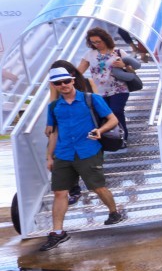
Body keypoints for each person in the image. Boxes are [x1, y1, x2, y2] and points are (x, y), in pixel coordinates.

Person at [41, 66, 124, 251]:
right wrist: (49, 156)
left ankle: (114, 212)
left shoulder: (91, 99)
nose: (63, 85)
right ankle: (57, 232)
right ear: (54, 85)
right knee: (60, 193)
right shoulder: (54, 107)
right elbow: (53, 133)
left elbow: (113, 120)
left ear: (72, 79)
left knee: (98, 187)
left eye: (66, 81)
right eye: (58, 83)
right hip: (63, 153)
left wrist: (100, 131)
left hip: (88, 150)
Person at [46, 60, 97, 206]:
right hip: (66, 123)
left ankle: (89, 181)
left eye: (66, 78)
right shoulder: (56, 86)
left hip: (87, 125)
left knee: (85, 156)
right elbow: (52, 103)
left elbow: (98, 99)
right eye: (56, 80)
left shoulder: (88, 82)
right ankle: (74, 188)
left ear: (72, 75)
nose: (62, 83)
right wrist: (49, 123)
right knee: (63, 154)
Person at [78, 27, 139, 145]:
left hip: (119, 88)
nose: (96, 44)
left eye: (98, 41)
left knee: (116, 111)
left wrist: (123, 65)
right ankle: (111, 137)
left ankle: (123, 137)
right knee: (106, 114)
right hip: (100, 91)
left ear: (105, 40)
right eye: (93, 42)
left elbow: (133, 72)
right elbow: (79, 71)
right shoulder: (89, 54)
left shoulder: (118, 52)